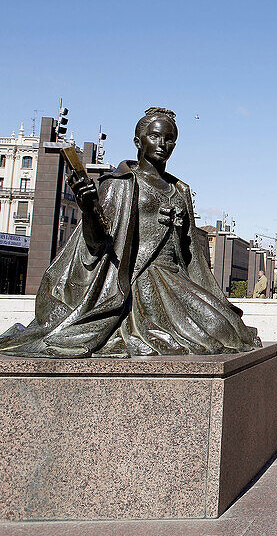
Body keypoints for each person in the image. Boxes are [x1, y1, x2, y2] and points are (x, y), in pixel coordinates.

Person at [0, 107, 261, 357]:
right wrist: (89, 208)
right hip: (140, 277)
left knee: (229, 328)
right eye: (155, 136)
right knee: (211, 333)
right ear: (138, 141)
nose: (162, 144)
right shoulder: (120, 183)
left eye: (169, 139)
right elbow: (98, 242)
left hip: (177, 276)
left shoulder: (180, 189)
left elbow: (191, 252)